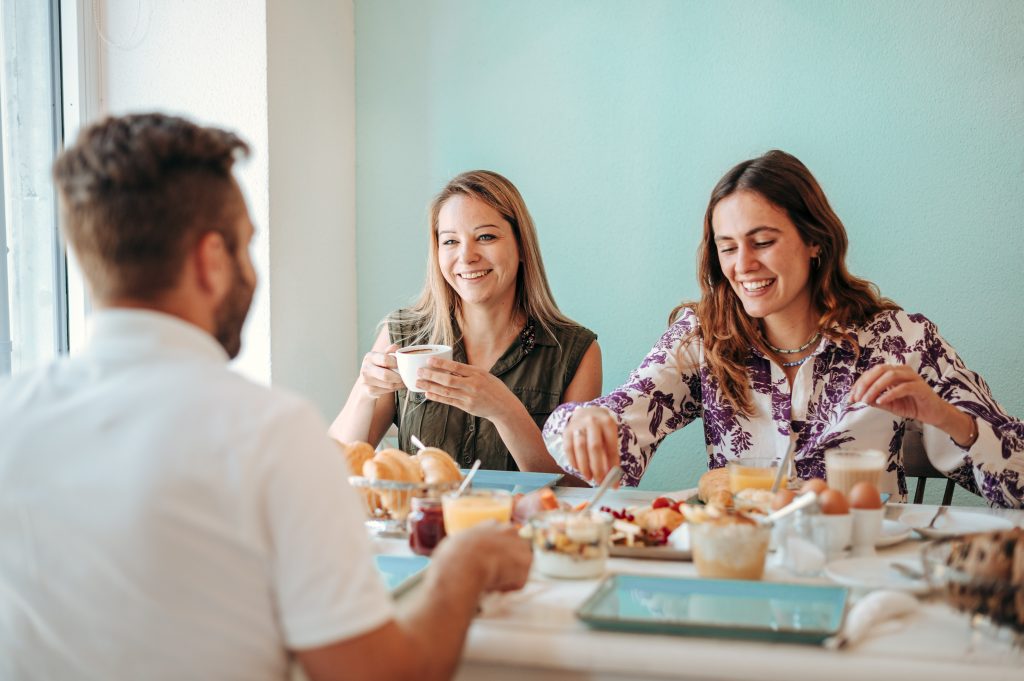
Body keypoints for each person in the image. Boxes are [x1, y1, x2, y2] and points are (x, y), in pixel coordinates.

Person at [0, 113, 532, 681]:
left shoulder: (12, 417)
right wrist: (462, 568)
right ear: (210, 259)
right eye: (248, 246)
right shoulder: (271, 436)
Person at [543, 150, 1024, 508]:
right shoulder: (704, 338)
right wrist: (587, 422)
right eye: (727, 247)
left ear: (815, 241)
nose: (743, 264)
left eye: (763, 241)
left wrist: (943, 416)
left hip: (863, 573)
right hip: (737, 569)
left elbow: (1017, 479)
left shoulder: (899, 339)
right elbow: (593, 424)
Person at [330, 170, 601, 475]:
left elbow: (577, 491)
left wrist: (505, 411)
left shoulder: (575, 352)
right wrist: (364, 393)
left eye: (485, 236)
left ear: (522, 246)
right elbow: (332, 470)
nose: (466, 255)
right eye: (450, 241)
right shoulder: (404, 336)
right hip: (423, 523)